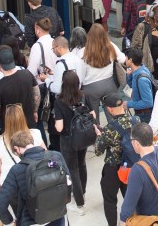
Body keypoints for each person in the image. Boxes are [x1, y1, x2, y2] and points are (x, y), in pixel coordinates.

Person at [0, 129, 71, 226]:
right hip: (58, 216)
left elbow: (0, 204)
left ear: (16, 149)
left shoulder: (17, 170)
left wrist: (9, 222)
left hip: (32, 220)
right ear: (32, 142)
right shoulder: (56, 156)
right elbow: (68, 182)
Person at [53, 69, 93, 215]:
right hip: (82, 137)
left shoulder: (59, 101)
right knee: (82, 165)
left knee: (73, 170)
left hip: (68, 140)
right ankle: (82, 192)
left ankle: (79, 204)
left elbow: (59, 127)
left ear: (63, 83)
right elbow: (93, 114)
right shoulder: (84, 95)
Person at [94, 95, 134, 226]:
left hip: (113, 168)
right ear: (122, 105)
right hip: (131, 166)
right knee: (130, 199)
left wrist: (99, 135)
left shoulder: (110, 128)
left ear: (109, 109)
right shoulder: (135, 120)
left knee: (110, 201)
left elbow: (98, 151)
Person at [0, 45, 39, 136]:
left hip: (9, 129)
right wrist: (35, 111)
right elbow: (36, 94)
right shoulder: (27, 74)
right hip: (29, 124)